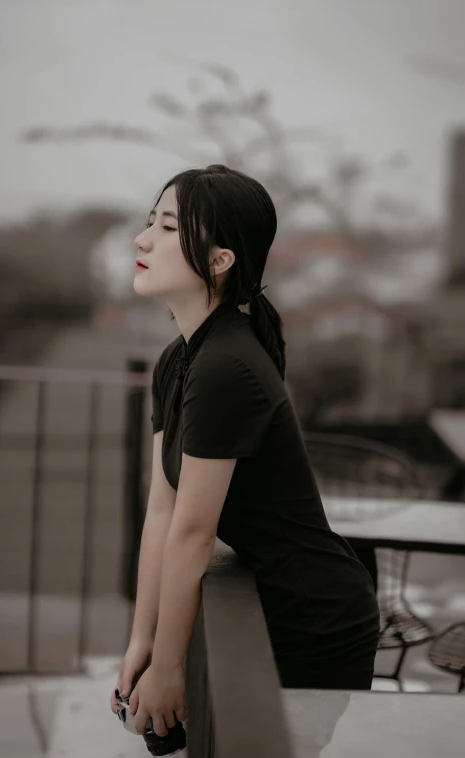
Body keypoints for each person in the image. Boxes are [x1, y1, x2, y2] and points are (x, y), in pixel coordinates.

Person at [110, 164, 380, 739]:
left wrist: (171, 665)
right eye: (148, 222)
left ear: (219, 260)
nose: (143, 238)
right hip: (281, 607)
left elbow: (194, 533)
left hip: (311, 623)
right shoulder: (178, 360)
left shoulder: (227, 367)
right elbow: (162, 511)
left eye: (166, 227)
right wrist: (144, 642)